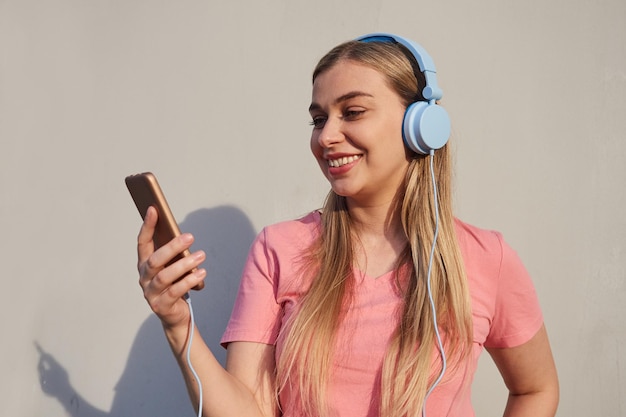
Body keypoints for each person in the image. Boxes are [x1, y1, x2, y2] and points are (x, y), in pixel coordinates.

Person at [136, 33, 559, 417]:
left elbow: (536, 389)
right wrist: (177, 324)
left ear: (421, 128)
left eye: (352, 112)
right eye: (319, 119)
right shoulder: (279, 248)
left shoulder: (487, 258)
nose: (326, 137)